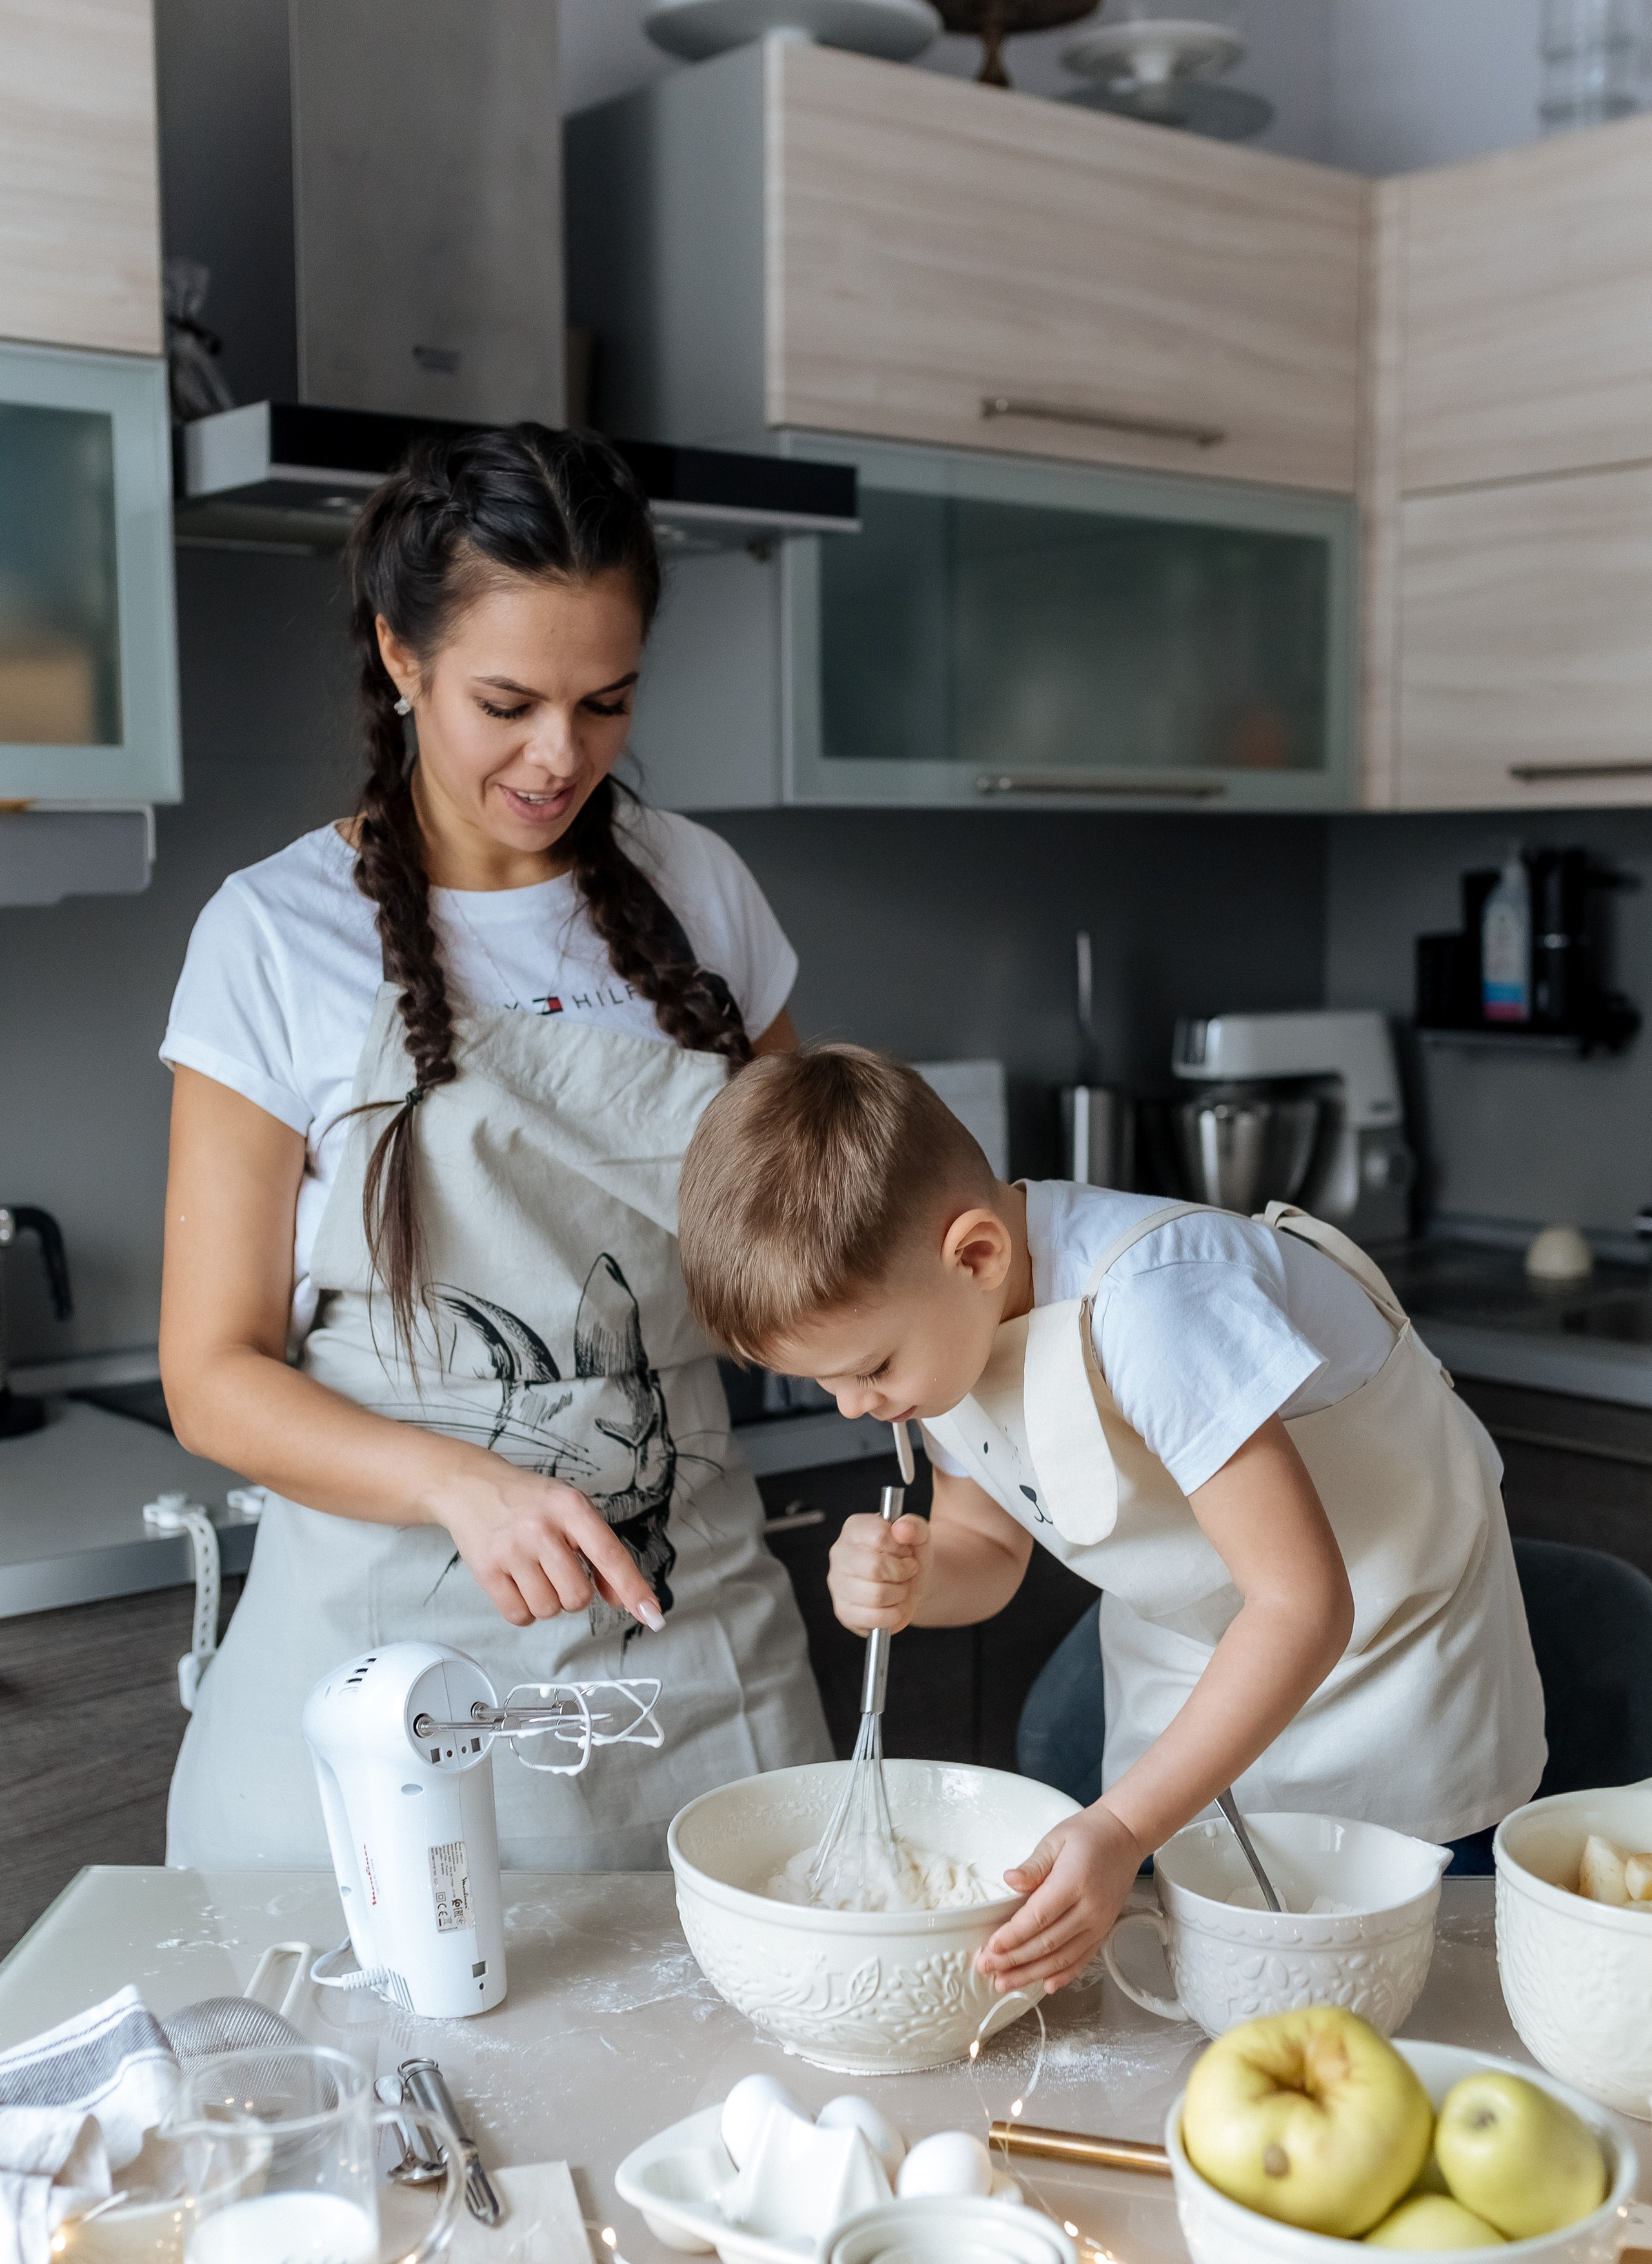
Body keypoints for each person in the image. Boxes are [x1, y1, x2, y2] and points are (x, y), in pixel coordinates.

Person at [158, 425, 830, 1870]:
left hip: (693, 1662)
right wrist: (462, 1484)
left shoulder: (696, 887)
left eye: (605, 703)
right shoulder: (276, 936)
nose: (559, 757)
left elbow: (821, 1240)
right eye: (507, 702)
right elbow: (210, 1379)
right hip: (395, 1687)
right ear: (401, 657)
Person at [675, 1045, 1546, 1993]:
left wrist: (1124, 1826)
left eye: (870, 1368)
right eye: (827, 1382)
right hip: (1197, 1667)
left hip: (1390, 1671)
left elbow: (1304, 1608)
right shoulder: (946, 1322)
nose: (855, 1406)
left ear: (976, 1254)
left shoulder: (1156, 1304)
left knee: (1393, 2000)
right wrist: (921, 1578)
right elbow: (989, 1547)